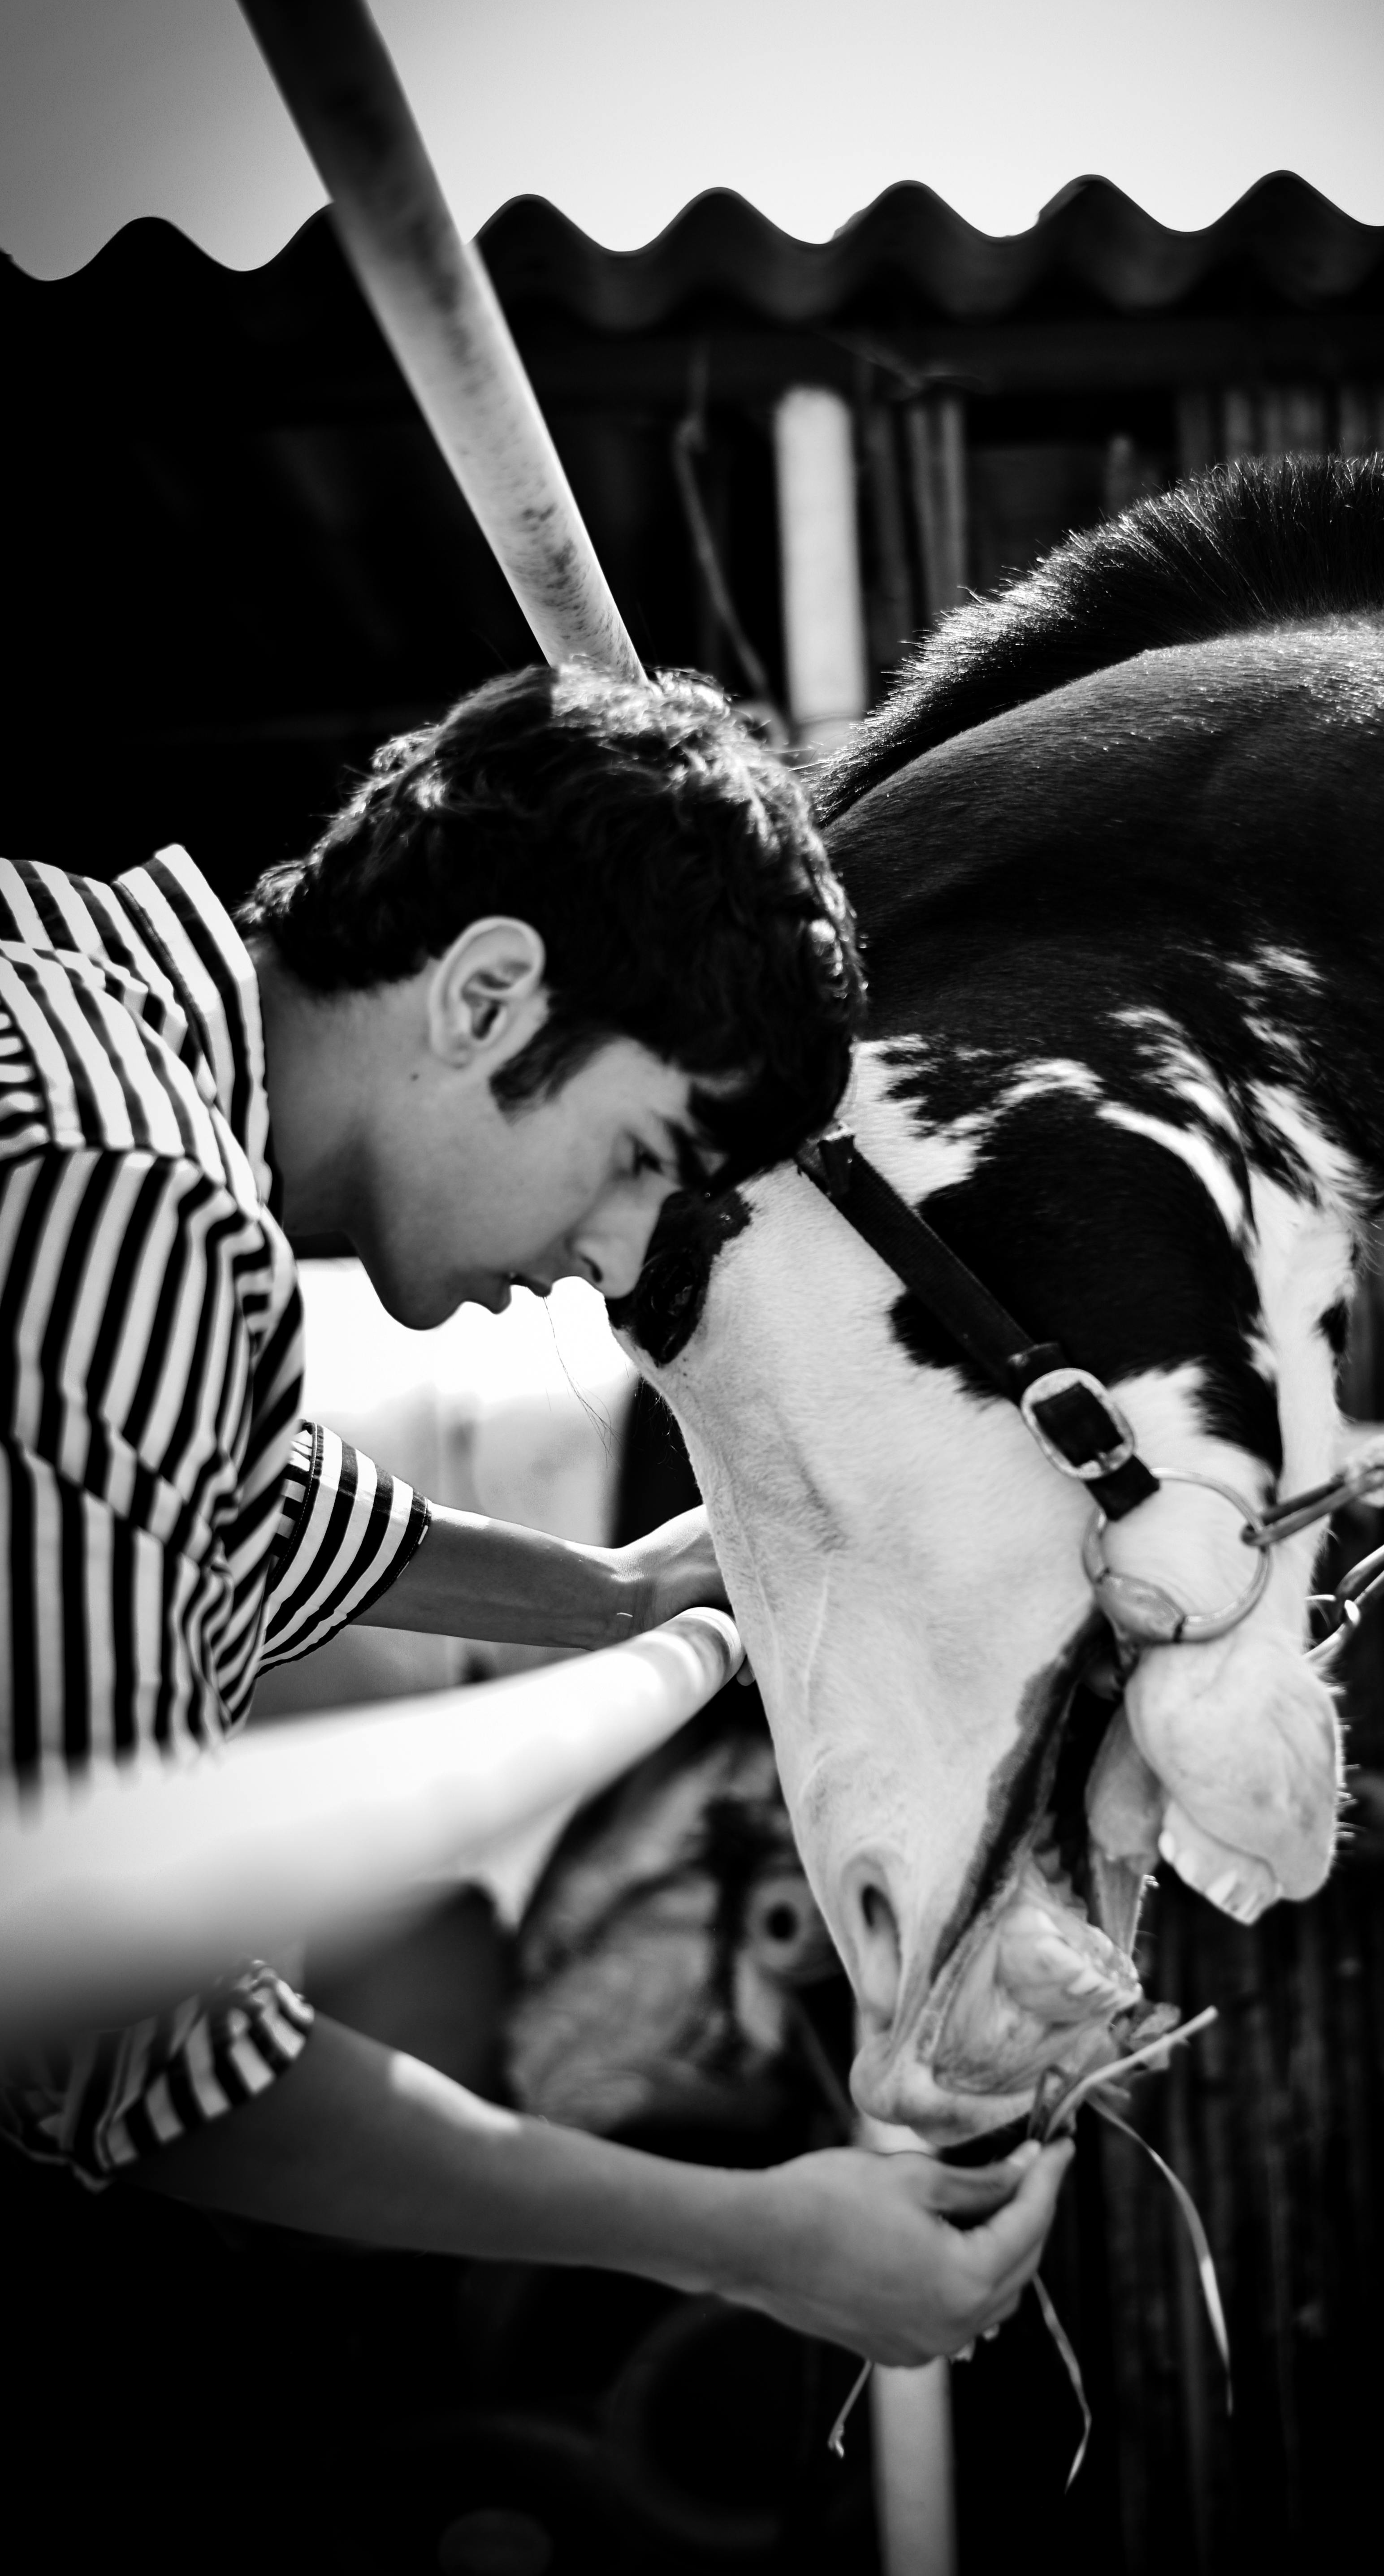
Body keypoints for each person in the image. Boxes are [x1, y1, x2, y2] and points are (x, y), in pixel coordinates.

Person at [0, 662, 1069, 2373]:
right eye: (640, 1154)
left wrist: (609, 1601)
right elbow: (108, 2049)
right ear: (489, 996)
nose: (619, 1253)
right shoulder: (139, 1203)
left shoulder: (60, 1024)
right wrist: (742, 2240)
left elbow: (215, 1508)